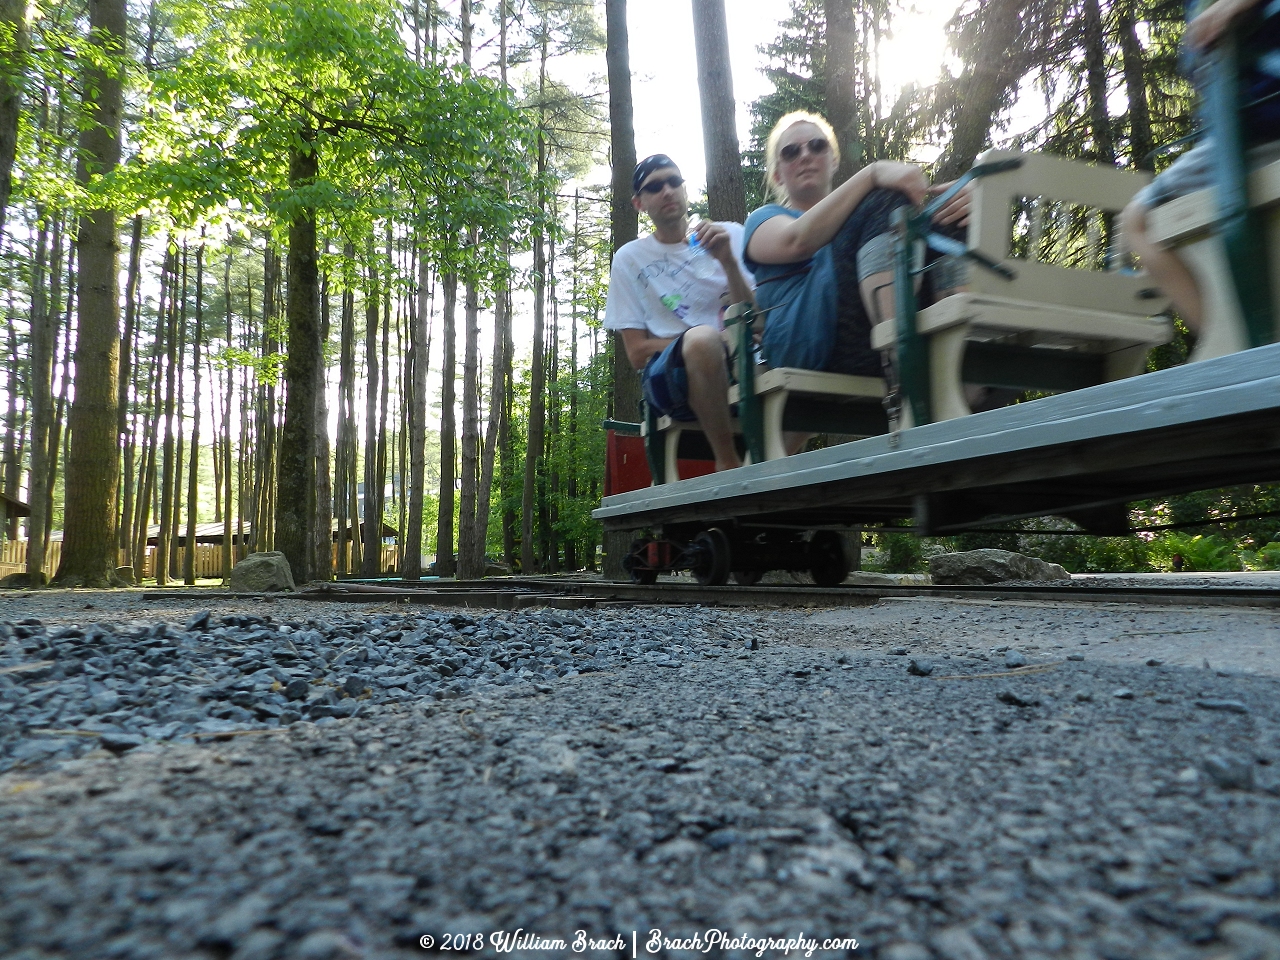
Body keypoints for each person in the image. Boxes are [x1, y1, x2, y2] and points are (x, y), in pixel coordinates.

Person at [744, 112, 969, 381]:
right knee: (886, 199)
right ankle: (904, 366)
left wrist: (966, 200)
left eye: (817, 146)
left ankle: (961, 362)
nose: (805, 155)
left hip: (869, 325)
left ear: (834, 160)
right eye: (791, 151)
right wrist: (872, 173)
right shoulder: (762, 220)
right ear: (777, 174)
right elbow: (796, 241)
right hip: (812, 344)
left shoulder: (863, 219)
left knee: (947, 211)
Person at [1120, 0, 1280, 332]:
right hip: (1244, 132)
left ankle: (1224, 341)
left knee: (1138, 223)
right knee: (1175, 236)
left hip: (1255, 132)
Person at [604, 155, 756, 472]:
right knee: (701, 341)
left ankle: (762, 466)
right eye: (655, 186)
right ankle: (728, 465)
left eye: (674, 182)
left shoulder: (729, 235)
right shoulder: (630, 258)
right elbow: (636, 353)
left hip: (745, 362)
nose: (668, 191)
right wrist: (711, 341)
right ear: (639, 203)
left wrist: (728, 262)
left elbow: (758, 320)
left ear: (685, 190)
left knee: (806, 339)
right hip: (670, 376)